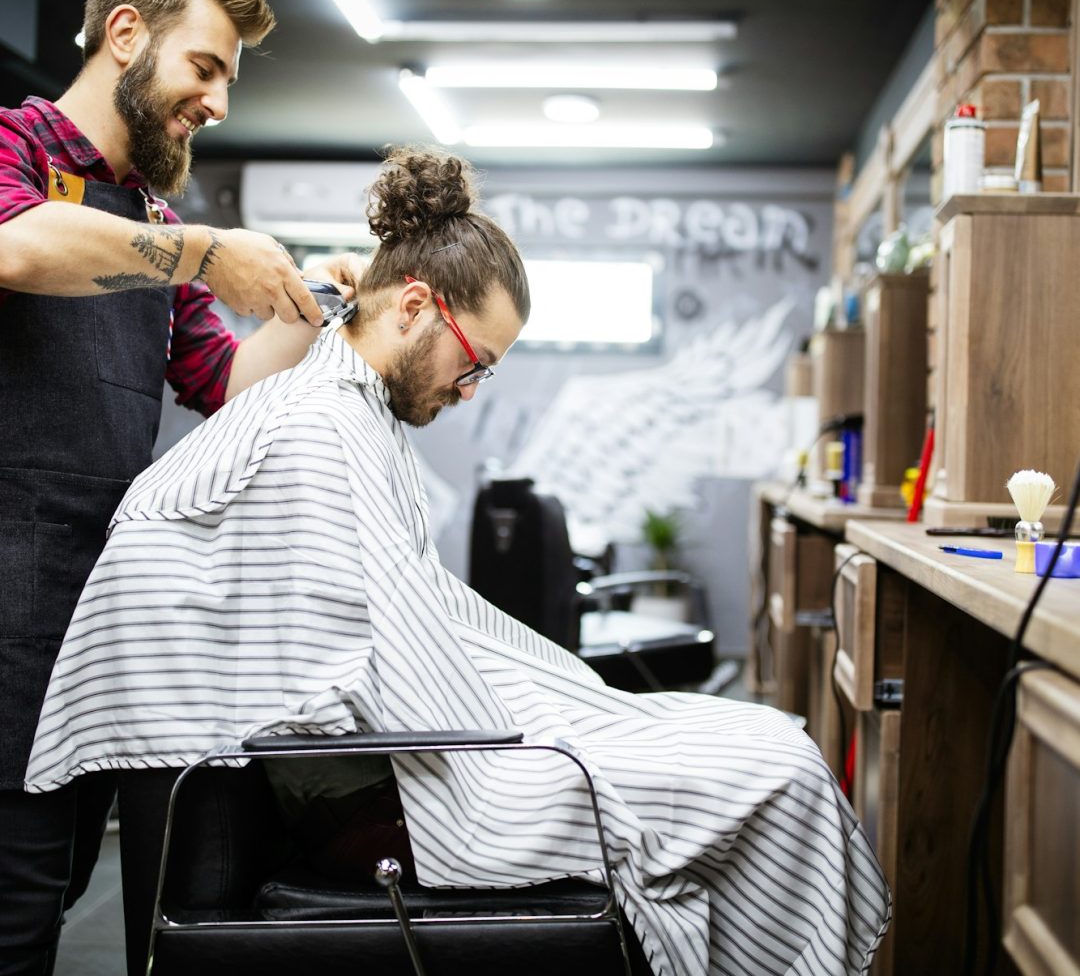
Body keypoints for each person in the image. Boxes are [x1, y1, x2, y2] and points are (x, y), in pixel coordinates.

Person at [27, 147, 891, 976]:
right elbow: (367, 676)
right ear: (413, 305)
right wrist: (544, 723)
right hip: (408, 791)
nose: (470, 389)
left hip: (406, 759)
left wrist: (562, 703)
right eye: (473, 362)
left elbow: (397, 635)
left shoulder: (349, 412)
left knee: (757, 742)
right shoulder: (317, 425)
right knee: (772, 769)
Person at [0, 0, 361, 974]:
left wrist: (312, 311)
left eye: (228, 80)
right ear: (126, 34)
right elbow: (18, 246)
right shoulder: (13, 148)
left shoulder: (151, 221)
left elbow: (229, 384)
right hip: (7, 609)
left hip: (89, 626)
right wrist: (205, 253)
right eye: (204, 68)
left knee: (55, 893)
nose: (217, 103)